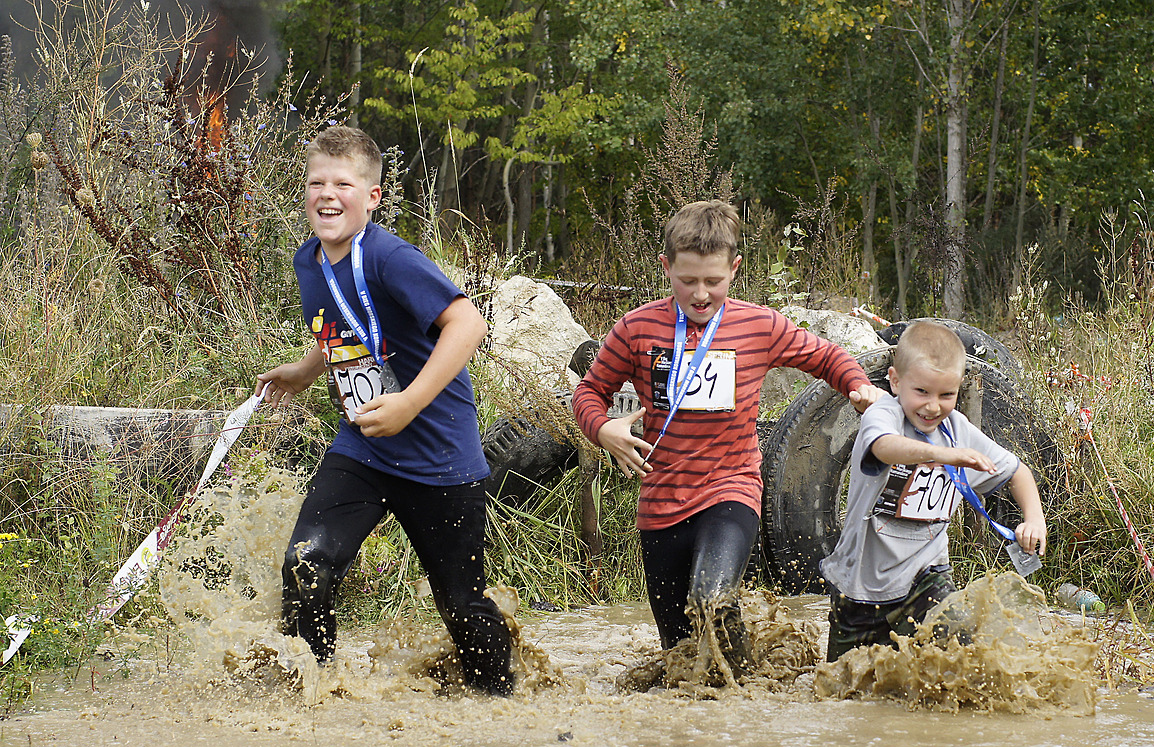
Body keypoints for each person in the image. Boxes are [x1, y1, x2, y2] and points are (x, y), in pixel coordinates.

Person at [572, 200, 884, 676]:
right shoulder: (636, 328)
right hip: (660, 504)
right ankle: (720, 711)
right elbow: (590, 392)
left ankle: (747, 698)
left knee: (712, 598)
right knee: (678, 657)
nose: (700, 295)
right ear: (666, 268)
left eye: (713, 282)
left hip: (730, 490)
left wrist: (858, 386)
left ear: (734, 269)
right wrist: (603, 428)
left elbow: (828, 358)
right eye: (687, 281)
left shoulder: (759, 325)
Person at [255, 125, 512, 694]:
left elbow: (468, 323)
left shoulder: (391, 257)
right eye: (316, 181)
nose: (327, 193)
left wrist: (408, 403)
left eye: (342, 183)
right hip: (363, 449)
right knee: (305, 568)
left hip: (438, 455)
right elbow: (342, 331)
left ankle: (504, 706)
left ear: (371, 196)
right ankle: (315, 700)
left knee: (463, 607)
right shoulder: (309, 262)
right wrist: (305, 370)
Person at [820, 320, 1047, 661]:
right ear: (895, 382)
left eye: (946, 395)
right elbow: (885, 447)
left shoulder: (958, 431)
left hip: (927, 578)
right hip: (858, 588)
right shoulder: (884, 415)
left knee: (961, 658)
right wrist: (942, 456)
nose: (932, 406)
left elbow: (1018, 472)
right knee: (844, 691)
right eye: (921, 392)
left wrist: (1034, 519)